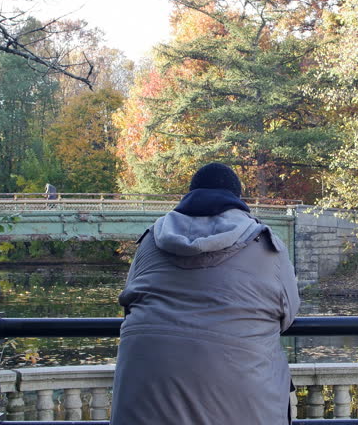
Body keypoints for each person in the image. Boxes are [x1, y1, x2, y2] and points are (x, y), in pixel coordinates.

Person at [110, 162, 300, 425]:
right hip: (242, 402)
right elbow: (288, 313)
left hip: (144, 402)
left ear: (189, 195)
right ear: (238, 199)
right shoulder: (266, 244)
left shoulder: (151, 240)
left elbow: (129, 304)